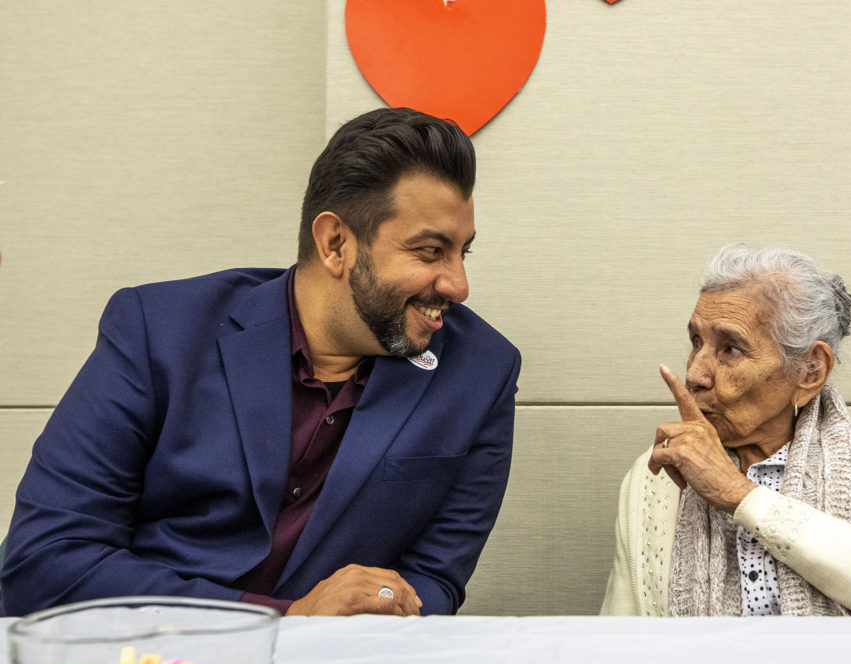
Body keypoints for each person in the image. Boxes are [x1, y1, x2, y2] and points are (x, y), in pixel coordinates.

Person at [0, 107, 521, 618]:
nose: (458, 285)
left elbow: (433, 581)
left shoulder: (480, 372)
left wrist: (376, 615)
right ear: (335, 243)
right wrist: (278, 618)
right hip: (146, 661)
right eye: (430, 252)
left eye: (463, 253)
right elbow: (43, 561)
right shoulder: (158, 331)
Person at [600, 244, 851, 616]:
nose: (695, 374)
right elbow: (620, 639)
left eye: (731, 349)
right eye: (696, 342)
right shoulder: (655, 474)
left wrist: (740, 495)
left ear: (810, 371)